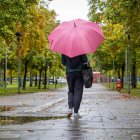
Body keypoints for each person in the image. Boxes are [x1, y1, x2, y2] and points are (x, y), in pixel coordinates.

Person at [61, 54, 88, 119]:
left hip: (69, 73)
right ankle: (76, 113)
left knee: (71, 91)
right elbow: (85, 60)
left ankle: (70, 109)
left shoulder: (64, 49)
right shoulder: (80, 48)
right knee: (78, 92)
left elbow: (63, 62)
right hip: (79, 72)